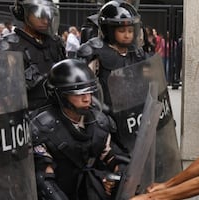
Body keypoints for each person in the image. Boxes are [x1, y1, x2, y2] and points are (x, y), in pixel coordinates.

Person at [78, 0, 181, 186]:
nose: (127, 35)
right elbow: (84, 89)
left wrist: (161, 112)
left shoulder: (137, 53)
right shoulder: (94, 52)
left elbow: (150, 84)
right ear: (109, 30)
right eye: (121, 30)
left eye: (130, 30)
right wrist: (102, 113)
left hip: (135, 121)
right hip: (109, 121)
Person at [30, 59, 130, 200]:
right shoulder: (42, 129)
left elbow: (115, 158)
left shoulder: (99, 122)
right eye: (78, 93)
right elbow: (44, 181)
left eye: (89, 92)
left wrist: (115, 178)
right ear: (61, 95)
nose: (87, 99)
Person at [0, 0, 66, 111]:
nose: (46, 20)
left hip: (56, 112)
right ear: (23, 13)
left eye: (48, 15)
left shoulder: (55, 43)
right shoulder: (7, 47)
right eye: (39, 15)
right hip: (25, 115)